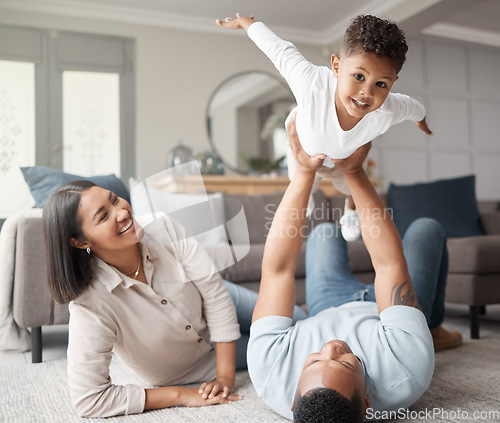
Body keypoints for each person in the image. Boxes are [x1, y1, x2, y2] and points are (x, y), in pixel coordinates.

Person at [245, 116, 461, 422]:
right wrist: (354, 171)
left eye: (314, 360)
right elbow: (388, 265)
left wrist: (305, 171)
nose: (332, 348)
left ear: (292, 400)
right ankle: (432, 327)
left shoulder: (270, 371)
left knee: (322, 233)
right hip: (388, 317)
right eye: (347, 364)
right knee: (426, 229)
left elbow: (277, 270)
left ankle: (424, 330)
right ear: (368, 401)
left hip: (327, 304)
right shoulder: (406, 368)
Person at [42, 180, 307, 417]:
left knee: (298, 317)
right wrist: (181, 395)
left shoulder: (162, 226)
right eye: (103, 216)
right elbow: (89, 400)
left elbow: (214, 295)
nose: (122, 212)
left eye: (114, 199)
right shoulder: (90, 305)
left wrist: (226, 376)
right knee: (293, 341)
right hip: (192, 366)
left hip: (212, 298)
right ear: (79, 241)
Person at [216, 13, 433, 237]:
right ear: (336, 67)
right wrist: (245, 23)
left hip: (344, 160)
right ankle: (307, 194)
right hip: (304, 153)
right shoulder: (310, 82)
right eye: (359, 76)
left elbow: (414, 108)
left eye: (380, 84)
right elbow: (278, 49)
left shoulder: (389, 109)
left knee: (356, 189)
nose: (366, 93)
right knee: (302, 187)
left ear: (392, 83)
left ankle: (350, 211)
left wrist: (422, 123)